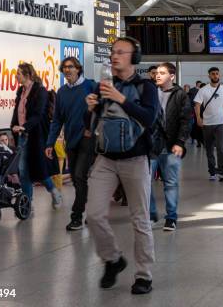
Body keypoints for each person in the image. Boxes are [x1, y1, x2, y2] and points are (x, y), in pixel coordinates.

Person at [85, 37, 158, 295]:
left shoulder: (145, 87)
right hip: (105, 159)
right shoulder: (102, 85)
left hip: (135, 160)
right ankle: (113, 259)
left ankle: (143, 275)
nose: (114, 56)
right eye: (112, 52)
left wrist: (122, 99)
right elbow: (94, 123)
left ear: (133, 58)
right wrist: (91, 107)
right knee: (93, 214)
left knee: (140, 219)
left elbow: (149, 118)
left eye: (120, 52)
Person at [44, 57, 97, 231]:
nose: (67, 70)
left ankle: (76, 217)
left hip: (88, 139)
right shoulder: (62, 92)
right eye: (64, 68)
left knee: (80, 176)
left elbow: (103, 108)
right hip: (71, 140)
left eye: (70, 67)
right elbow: (57, 119)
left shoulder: (90, 85)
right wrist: (50, 143)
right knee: (76, 178)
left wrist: (94, 127)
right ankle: (92, 212)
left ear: (78, 69)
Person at [11, 63, 62, 208]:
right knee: (23, 169)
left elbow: (38, 115)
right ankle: (27, 202)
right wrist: (14, 126)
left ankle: (53, 191)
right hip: (22, 135)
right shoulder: (20, 91)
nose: (16, 76)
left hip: (36, 135)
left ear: (27, 75)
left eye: (18, 73)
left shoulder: (40, 91)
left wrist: (24, 126)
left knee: (40, 169)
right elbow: (17, 113)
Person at [149, 62, 191, 232]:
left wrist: (180, 142)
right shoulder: (149, 93)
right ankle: (151, 215)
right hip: (150, 146)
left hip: (171, 145)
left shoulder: (180, 95)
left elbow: (186, 121)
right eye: (157, 73)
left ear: (172, 76)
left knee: (171, 183)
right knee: (145, 183)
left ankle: (171, 218)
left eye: (162, 73)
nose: (157, 75)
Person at [194, 67, 223, 181]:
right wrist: (198, 118)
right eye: (213, 74)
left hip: (220, 123)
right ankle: (212, 172)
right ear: (209, 76)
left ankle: (221, 170)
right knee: (209, 149)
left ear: (219, 75)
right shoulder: (203, 90)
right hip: (207, 124)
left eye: (217, 74)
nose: (215, 76)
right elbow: (197, 105)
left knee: (221, 148)